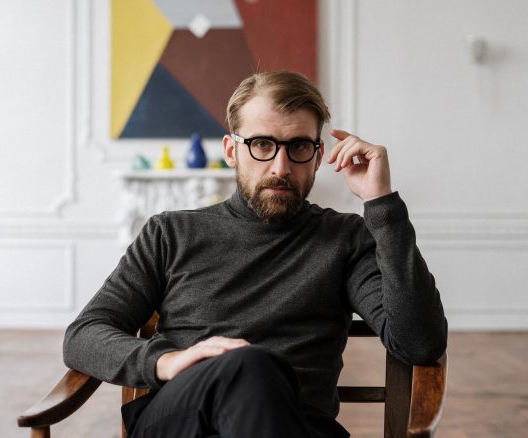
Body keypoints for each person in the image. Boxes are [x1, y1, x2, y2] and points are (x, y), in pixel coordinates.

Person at [64, 71, 447, 437]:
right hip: (182, 419)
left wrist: (381, 203)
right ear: (232, 150)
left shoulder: (345, 238)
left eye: (298, 147)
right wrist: (164, 361)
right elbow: (83, 335)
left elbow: (418, 342)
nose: (280, 168)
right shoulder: (171, 233)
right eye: (262, 144)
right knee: (249, 365)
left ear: (317, 156)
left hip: (298, 425)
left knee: (254, 370)